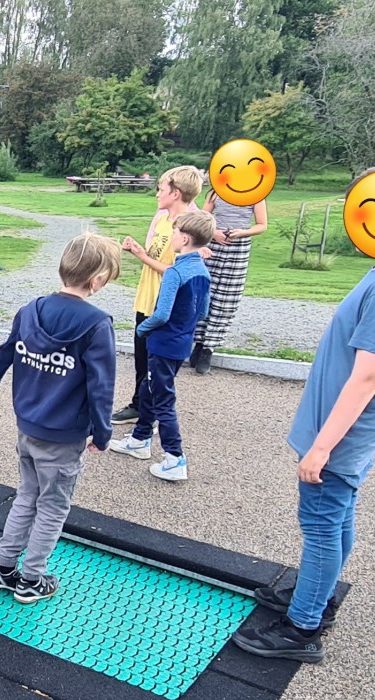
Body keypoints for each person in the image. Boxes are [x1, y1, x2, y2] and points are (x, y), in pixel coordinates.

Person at [233, 163, 375, 664]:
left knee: (321, 518)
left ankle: (303, 627)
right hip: (351, 419)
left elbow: (368, 374)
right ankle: (315, 593)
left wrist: (322, 446)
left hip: (347, 425)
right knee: (338, 512)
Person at [0, 234, 120, 603]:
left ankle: (4, 566)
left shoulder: (30, 310)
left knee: (27, 495)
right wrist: (102, 432)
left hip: (28, 426)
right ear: (97, 280)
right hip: (64, 435)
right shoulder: (97, 325)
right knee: (52, 504)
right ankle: (32, 578)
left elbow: (1, 357)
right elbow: (101, 386)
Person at [109, 211, 215, 482]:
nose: (172, 237)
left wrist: (142, 330)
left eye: (175, 233)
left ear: (185, 238)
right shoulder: (202, 271)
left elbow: (161, 314)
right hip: (181, 344)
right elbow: (203, 311)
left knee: (163, 400)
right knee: (149, 388)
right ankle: (140, 438)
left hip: (163, 344)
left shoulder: (175, 272)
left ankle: (174, 457)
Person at [111, 165, 203, 423]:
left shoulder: (187, 227)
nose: (157, 194)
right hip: (147, 297)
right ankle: (139, 406)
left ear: (175, 193)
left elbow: (178, 271)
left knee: (156, 366)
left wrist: (142, 256)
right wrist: (138, 250)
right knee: (142, 359)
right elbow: (157, 256)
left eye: (161, 189)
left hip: (165, 304)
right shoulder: (162, 219)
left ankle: (149, 418)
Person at [191, 192, 268, 373]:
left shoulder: (256, 195)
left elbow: (262, 225)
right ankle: (199, 342)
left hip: (238, 246)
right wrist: (213, 233)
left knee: (226, 298)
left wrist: (242, 232)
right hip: (214, 244)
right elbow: (203, 217)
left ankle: (209, 348)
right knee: (204, 292)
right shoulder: (217, 192)